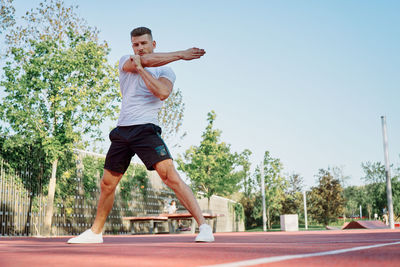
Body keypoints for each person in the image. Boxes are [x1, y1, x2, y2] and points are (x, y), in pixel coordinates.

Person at [68, 27, 214, 243]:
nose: (140, 48)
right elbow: (141, 62)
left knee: (170, 177)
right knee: (107, 183)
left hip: (146, 129)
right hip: (122, 130)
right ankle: (95, 233)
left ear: (153, 45)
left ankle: (204, 227)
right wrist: (181, 54)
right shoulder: (124, 62)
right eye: (136, 45)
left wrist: (146, 69)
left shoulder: (166, 71)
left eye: (144, 44)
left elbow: (162, 93)